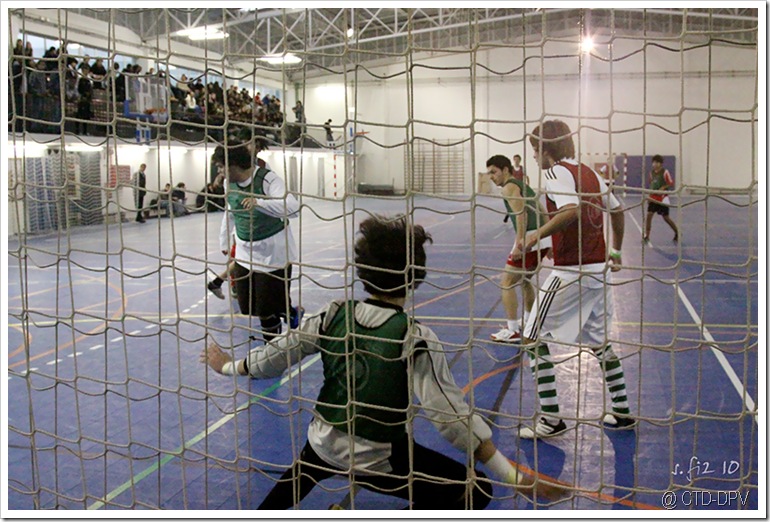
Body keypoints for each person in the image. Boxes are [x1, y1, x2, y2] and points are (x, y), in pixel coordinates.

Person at [201, 214, 566, 509]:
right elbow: (451, 418)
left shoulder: (332, 315)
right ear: (416, 276)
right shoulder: (415, 337)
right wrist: (515, 477)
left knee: (290, 486)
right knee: (477, 488)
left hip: (322, 444)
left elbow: (276, 355)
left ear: (362, 269)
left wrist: (228, 366)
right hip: (380, 459)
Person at [513, 119, 635, 439]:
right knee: (600, 343)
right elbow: (617, 210)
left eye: (535, 150)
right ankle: (622, 411)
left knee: (531, 338)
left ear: (546, 149)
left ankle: (551, 419)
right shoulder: (590, 172)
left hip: (572, 273)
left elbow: (571, 210)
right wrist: (616, 251)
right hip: (598, 272)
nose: (534, 157)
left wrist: (535, 235)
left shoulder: (555, 172)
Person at [212, 141, 302, 342]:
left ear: (233, 165)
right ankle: (287, 311)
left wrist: (259, 203)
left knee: (266, 310)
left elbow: (293, 208)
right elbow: (230, 211)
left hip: (273, 254)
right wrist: (224, 240)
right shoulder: (228, 184)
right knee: (247, 306)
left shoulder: (268, 179)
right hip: (245, 253)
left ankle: (273, 346)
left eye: (221, 167)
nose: (219, 172)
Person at [487, 155, 551, 343]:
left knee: (506, 282)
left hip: (529, 240)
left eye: (494, 172)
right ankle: (530, 322)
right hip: (540, 238)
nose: (491, 177)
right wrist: (549, 239)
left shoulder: (509, 187)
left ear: (506, 170)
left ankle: (513, 330)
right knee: (524, 280)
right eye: (489, 173)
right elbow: (541, 209)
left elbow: (521, 214)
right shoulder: (523, 185)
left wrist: (520, 244)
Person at [643, 154, 679, 243]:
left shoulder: (665, 172)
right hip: (653, 198)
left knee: (666, 217)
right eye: (653, 162)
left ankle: (677, 232)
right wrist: (650, 196)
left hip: (662, 198)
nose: (654, 164)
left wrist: (663, 188)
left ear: (660, 163)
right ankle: (647, 236)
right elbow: (651, 185)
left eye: (657, 162)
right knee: (649, 215)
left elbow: (670, 183)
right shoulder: (651, 173)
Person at [503, 154, 528, 224]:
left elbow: (525, 177)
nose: (516, 161)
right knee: (511, 202)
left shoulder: (522, 168)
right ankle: (508, 214)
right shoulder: (511, 169)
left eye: (518, 159)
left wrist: (526, 184)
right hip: (512, 187)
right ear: (514, 160)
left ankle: (522, 215)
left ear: (520, 160)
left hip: (520, 187)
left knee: (521, 202)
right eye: (515, 159)